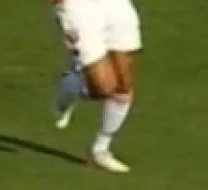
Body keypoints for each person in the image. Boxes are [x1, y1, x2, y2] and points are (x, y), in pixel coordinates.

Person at [51, 0, 142, 173]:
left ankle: (100, 150)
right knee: (103, 88)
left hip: (116, 6)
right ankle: (71, 86)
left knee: (123, 85)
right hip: (79, 8)